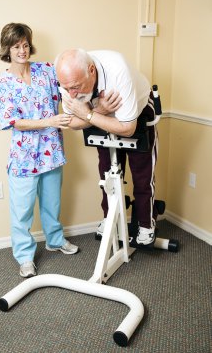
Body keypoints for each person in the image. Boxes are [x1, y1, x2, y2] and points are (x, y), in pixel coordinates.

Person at [0, 23, 78, 278]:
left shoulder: (47, 71)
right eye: (16, 46)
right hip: (23, 158)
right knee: (22, 212)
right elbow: (14, 121)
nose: (22, 50)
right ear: (7, 49)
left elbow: (68, 91)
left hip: (51, 152)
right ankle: (24, 257)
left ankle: (54, 240)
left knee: (52, 204)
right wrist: (49, 121)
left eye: (26, 45)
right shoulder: (2, 84)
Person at [55, 49, 159, 246]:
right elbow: (72, 123)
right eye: (67, 88)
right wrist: (99, 111)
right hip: (102, 113)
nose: (72, 94)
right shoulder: (67, 80)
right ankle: (110, 218)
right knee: (107, 173)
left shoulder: (118, 70)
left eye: (76, 87)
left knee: (142, 174)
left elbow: (128, 128)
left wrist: (88, 115)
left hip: (138, 111)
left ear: (91, 70)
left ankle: (146, 224)